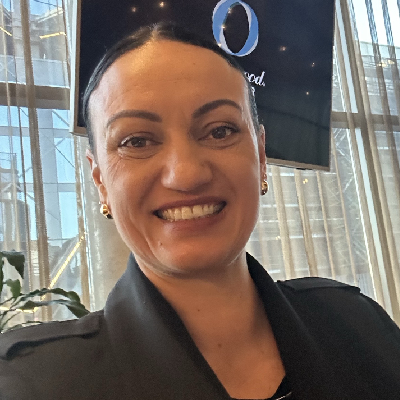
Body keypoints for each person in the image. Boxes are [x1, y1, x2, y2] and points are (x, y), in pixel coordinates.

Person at [0, 23, 400, 400]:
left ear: (261, 156)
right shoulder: (33, 382)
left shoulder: (359, 326)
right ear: (100, 179)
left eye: (220, 131)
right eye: (137, 141)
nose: (186, 175)